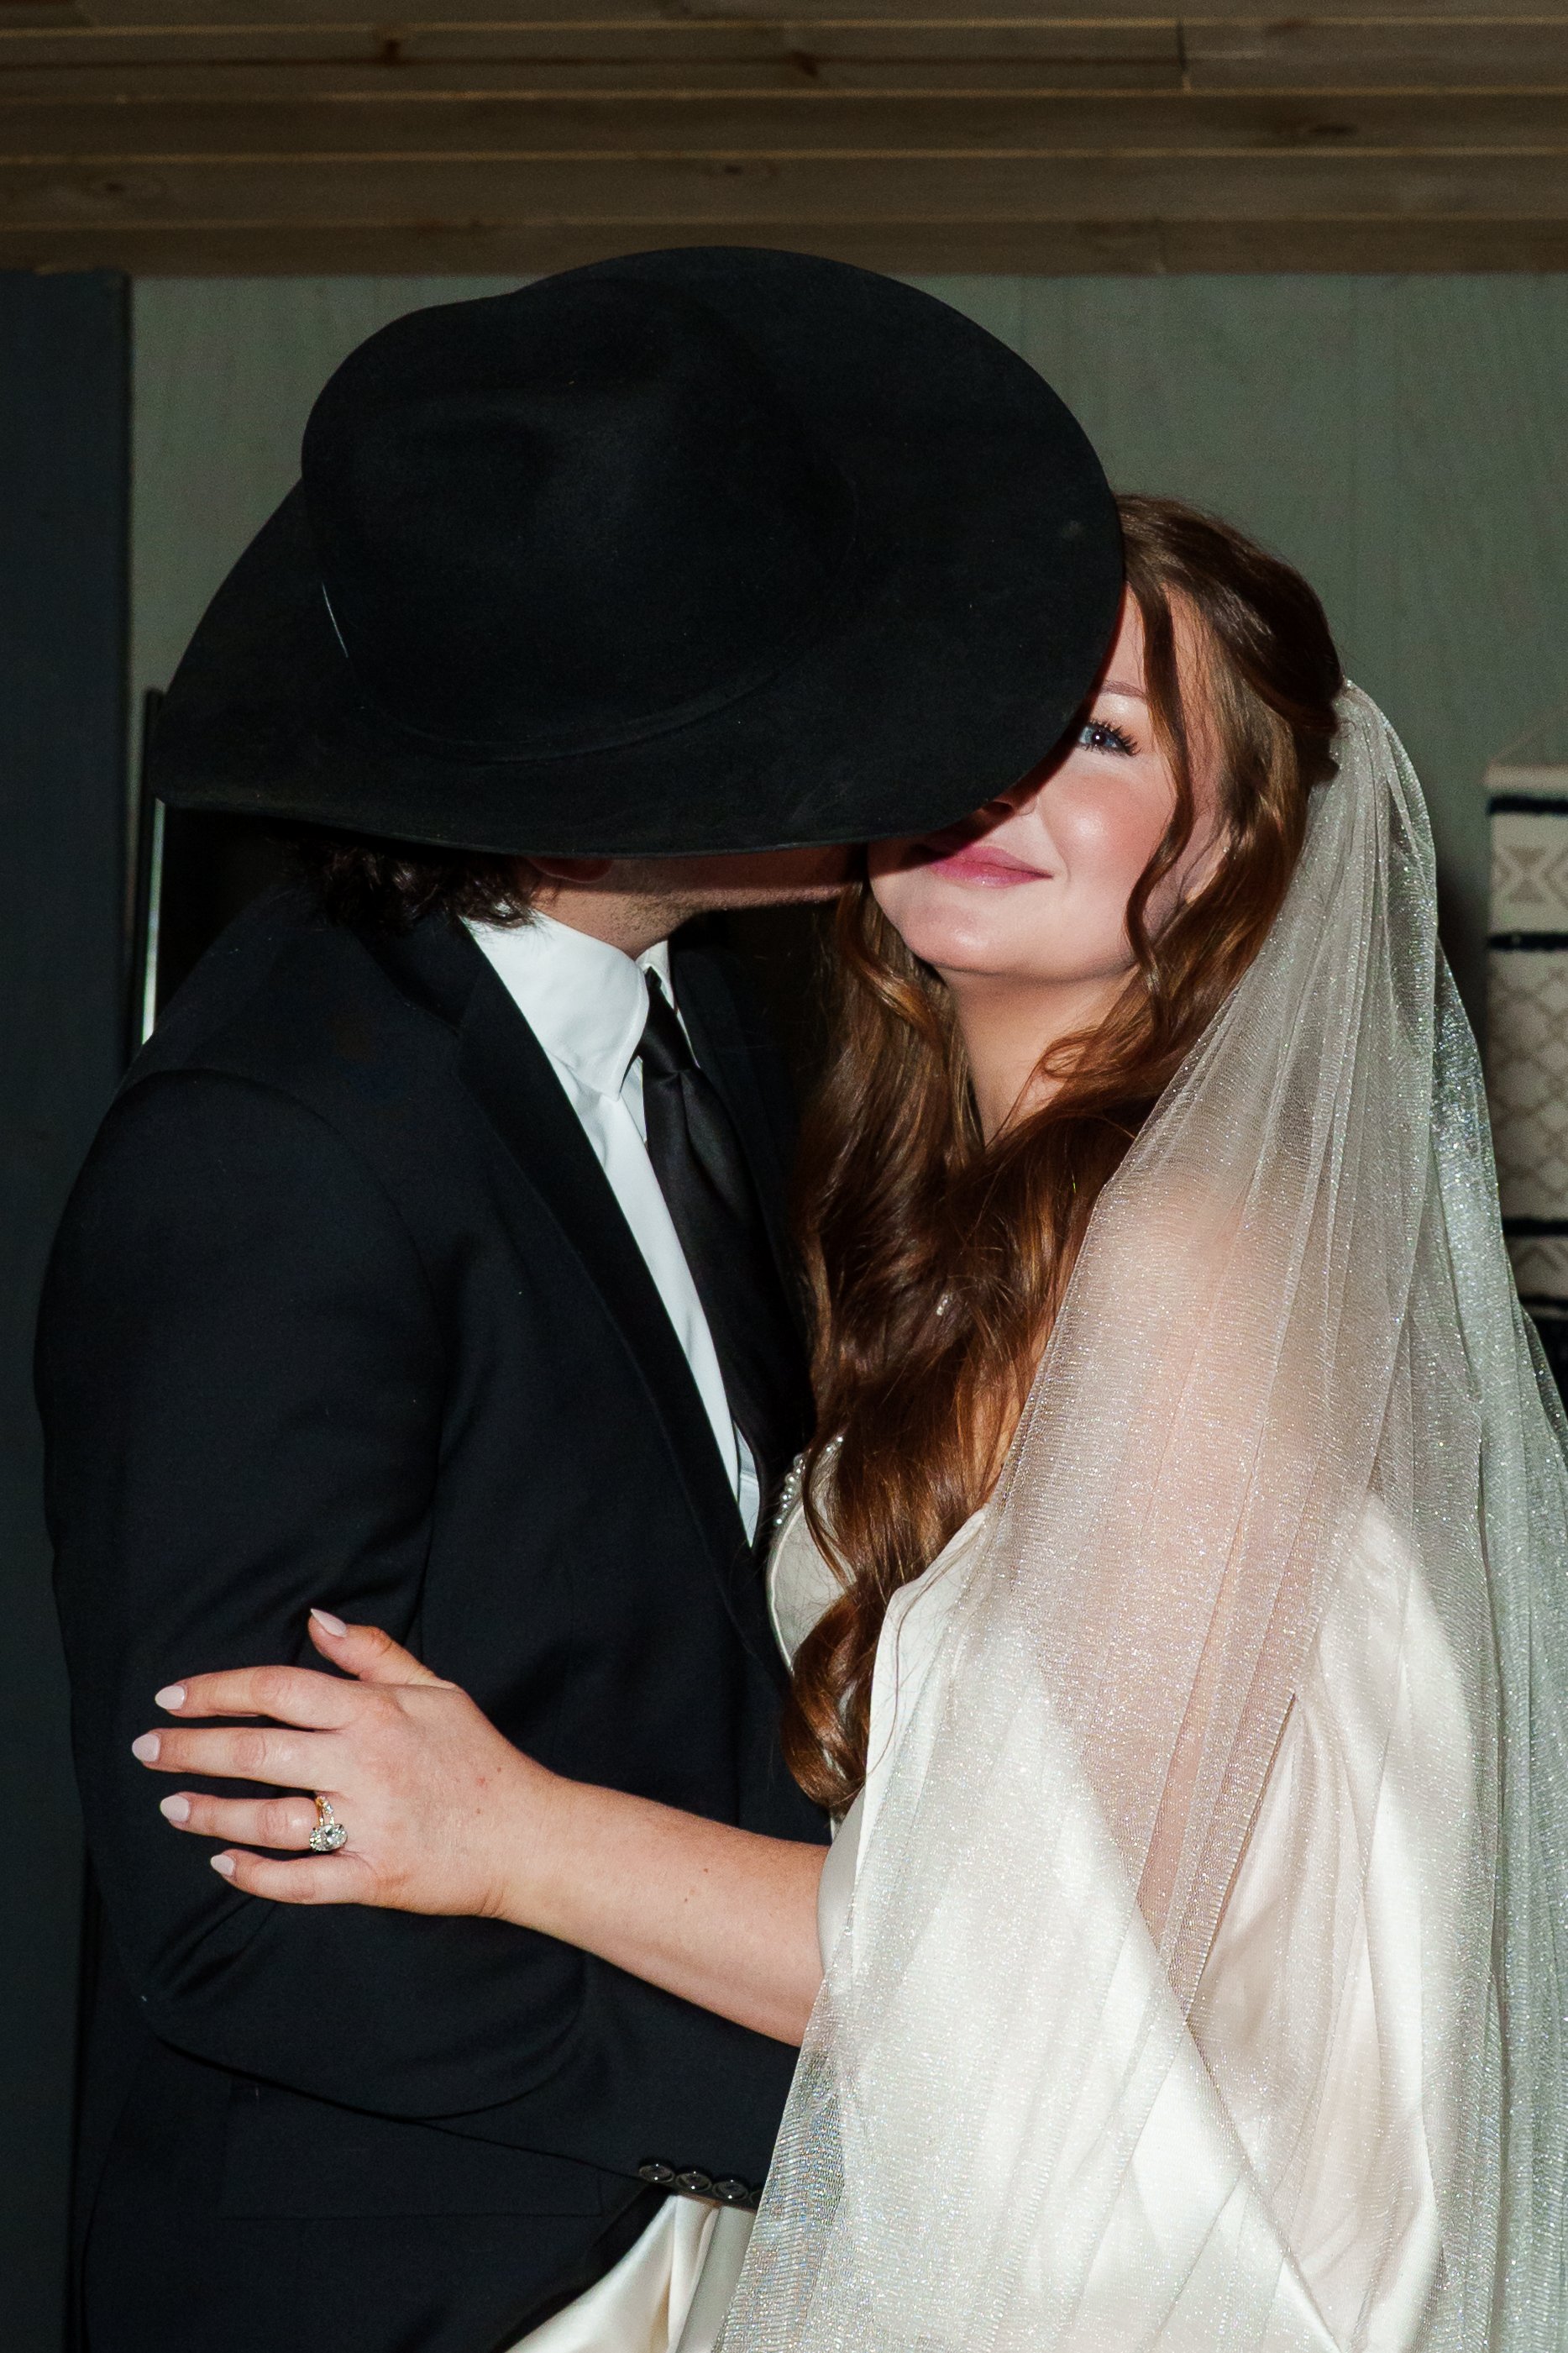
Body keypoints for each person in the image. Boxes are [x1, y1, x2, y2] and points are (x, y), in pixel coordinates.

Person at [124, 495, 1568, 2349]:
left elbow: (1038, 1971)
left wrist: (502, 1830)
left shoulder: (1193, 1263)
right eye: (976, 710)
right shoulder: (943, 1224)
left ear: (1226, 856)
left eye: (1103, 737)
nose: (997, 778)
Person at [36, 249, 1123, 2353]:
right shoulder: (276, 1148)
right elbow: (230, 1909)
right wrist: (838, 2106)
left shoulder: (694, 1022)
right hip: (423, 2283)